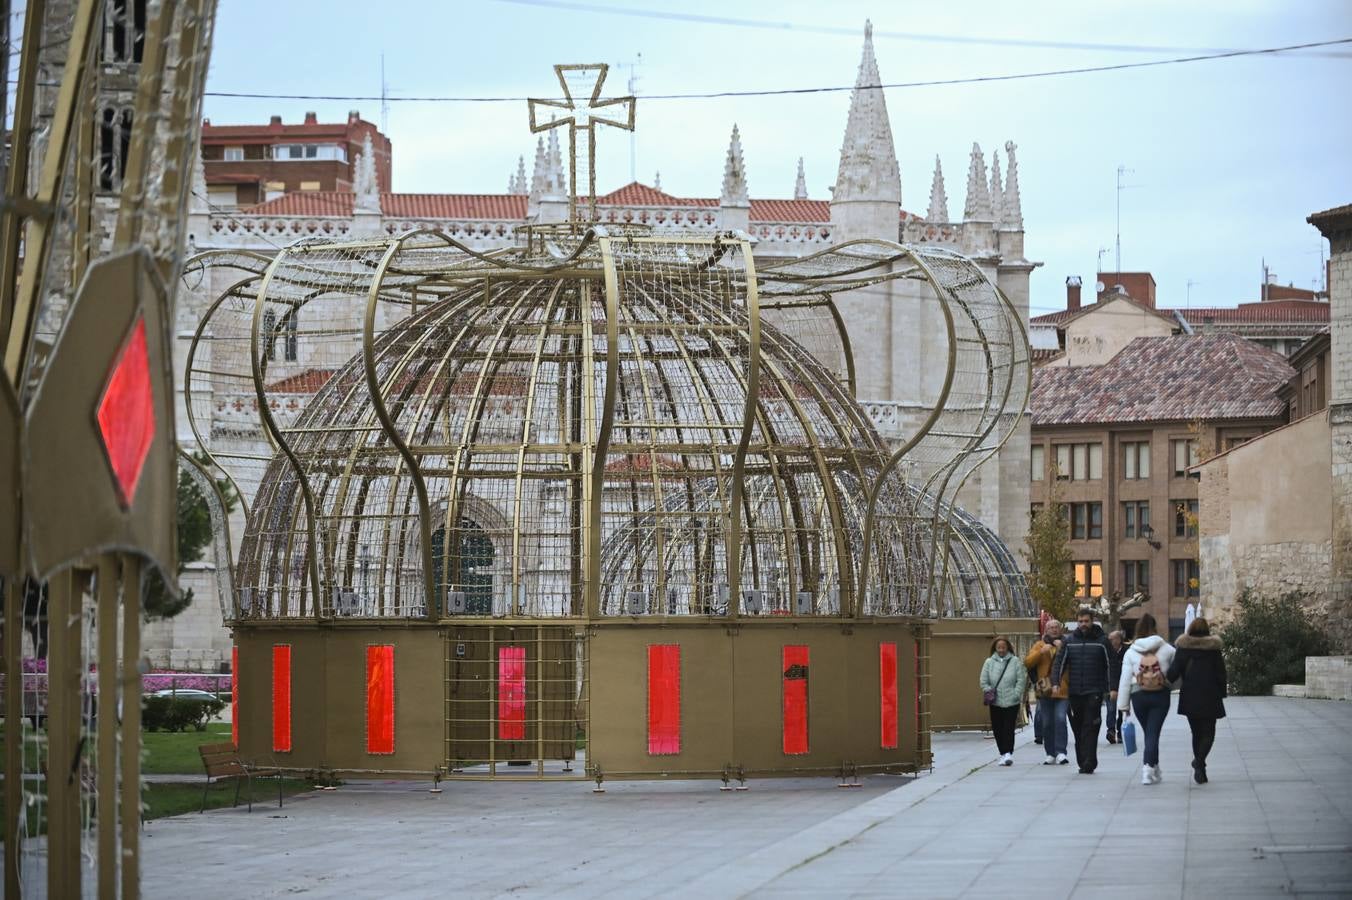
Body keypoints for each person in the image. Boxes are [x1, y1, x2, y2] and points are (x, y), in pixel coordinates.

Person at [1053, 607, 1112, 774]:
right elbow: (1059, 662)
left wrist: (1111, 688)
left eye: (1086, 621)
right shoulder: (1070, 641)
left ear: (1092, 621)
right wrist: (1056, 682)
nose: (1083, 624)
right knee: (1078, 727)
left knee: (1090, 726)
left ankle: (1089, 761)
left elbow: (1111, 665)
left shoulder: (1102, 641)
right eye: (1080, 621)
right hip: (1074, 692)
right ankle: (1082, 760)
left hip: (1094, 690)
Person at [1118, 613, 1176, 785]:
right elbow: (1176, 671)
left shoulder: (1131, 652)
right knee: (1153, 733)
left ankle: (1154, 767)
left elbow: (1125, 679)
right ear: (1155, 628)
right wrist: (1170, 683)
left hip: (1138, 695)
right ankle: (1148, 769)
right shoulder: (1167, 649)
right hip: (1160, 695)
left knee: (1150, 733)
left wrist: (1123, 705)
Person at [1167, 617, 1226, 784]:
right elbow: (1221, 673)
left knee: (1196, 732)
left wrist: (1164, 681)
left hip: (1190, 695)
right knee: (1209, 733)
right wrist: (1222, 693)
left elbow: (1174, 671)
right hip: (1210, 694)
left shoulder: (1183, 648)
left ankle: (1200, 765)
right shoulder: (1214, 649)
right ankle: (1199, 763)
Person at [1024, 619, 1070, 765]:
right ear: (1046, 630)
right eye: (1051, 627)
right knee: (1047, 722)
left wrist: (1062, 647)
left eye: (1057, 627)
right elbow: (1028, 662)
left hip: (1063, 690)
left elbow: (1074, 660)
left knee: (1061, 719)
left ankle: (1061, 752)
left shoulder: (1067, 643)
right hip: (1045, 690)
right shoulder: (1039, 645)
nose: (1054, 630)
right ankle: (1050, 753)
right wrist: (1040, 652)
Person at [980, 635, 1028, 766]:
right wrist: (989, 690)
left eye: (1003, 647)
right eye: (998, 647)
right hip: (995, 701)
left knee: (1008, 728)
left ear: (1008, 647)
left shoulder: (1015, 661)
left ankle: (1008, 753)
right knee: (997, 728)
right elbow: (983, 681)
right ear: (995, 648)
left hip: (1011, 701)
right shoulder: (989, 662)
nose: (1001, 649)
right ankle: (1002, 752)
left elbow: (1021, 680)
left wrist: (1016, 693)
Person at [1104, 630, 1126, 743]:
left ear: (1119, 640)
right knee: (1111, 709)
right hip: (1110, 684)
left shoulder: (1127, 651)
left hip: (1124, 685)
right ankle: (1111, 731)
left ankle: (1121, 732)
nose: (1109, 641)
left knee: (1122, 710)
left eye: (1111, 639)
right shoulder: (1106, 652)